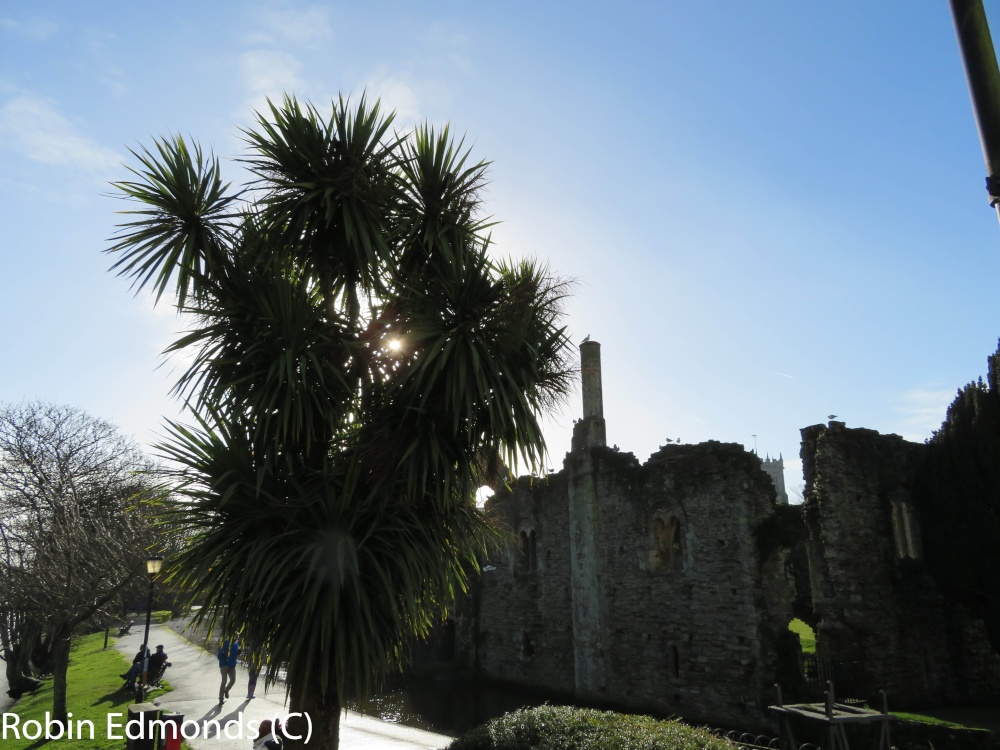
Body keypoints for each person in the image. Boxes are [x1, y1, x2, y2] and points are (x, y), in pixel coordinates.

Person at [217, 636, 241, 703]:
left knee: (233, 680)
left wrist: (239, 651)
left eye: (237, 638)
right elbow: (219, 655)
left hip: (232, 666)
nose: (237, 639)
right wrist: (223, 663)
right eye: (236, 637)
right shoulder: (225, 643)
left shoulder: (236, 644)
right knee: (224, 681)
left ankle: (226, 690)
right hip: (224, 666)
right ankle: (221, 698)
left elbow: (235, 654)